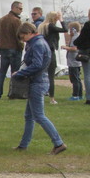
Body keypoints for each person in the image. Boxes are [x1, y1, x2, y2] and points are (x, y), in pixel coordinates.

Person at [12, 23, 67, 154]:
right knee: (29, 116)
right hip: (38, 81)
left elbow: (37, 64)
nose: (23, 39)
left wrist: (20, 74)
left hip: (38, 82)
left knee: (38, 116)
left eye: (23, 36)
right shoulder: (38, 42)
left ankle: (58, 143)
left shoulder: (37, 44)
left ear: (29, 32)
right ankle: (23, 145)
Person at [0, 1, 24, 100]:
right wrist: (21, 46)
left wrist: (4, 35)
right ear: (14, 8)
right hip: (14, 48)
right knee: (15, 72)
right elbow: (19, 36)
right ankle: (13, 93)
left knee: (2, 72)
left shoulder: (2, 19)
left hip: (3, 49)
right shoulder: (16, 21)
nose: (21, 10)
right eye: (20, 8)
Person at [38, 11, 67, 105]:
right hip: (50, 51)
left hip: (42, 51)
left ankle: (39, 94)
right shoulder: (50, 26)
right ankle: (52, 98)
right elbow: (65, 29)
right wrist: (61, 20)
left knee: (41, 74)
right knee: (51, 75)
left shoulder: (42, 26)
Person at [61, 22, 83, 101]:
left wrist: (65, 47)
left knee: (74, 79)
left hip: (73, 62)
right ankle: (80, 94)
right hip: (74, 61)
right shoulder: (75, 37)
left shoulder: (75, 38)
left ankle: (75, 95)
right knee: (77, 78)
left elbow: (74, 48)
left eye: (70, 29)